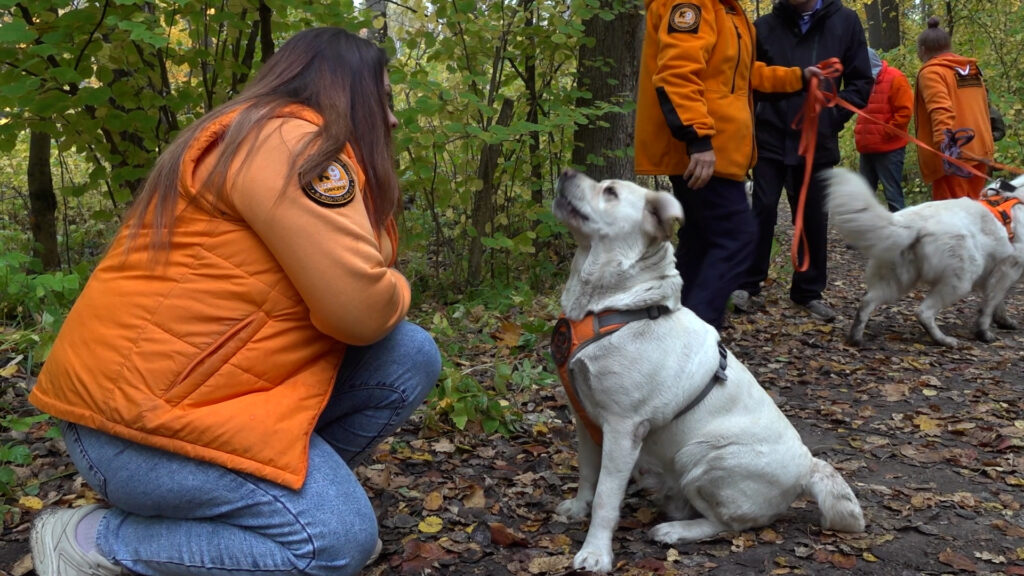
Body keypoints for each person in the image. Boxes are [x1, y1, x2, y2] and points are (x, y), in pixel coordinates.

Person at [27, 27, 441, 576]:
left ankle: (276, 514)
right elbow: (360, 311)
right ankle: (92, 540)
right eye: (383, 99)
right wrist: (397, 283)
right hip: (137, 428)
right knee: (334, 545)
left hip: (199, 403)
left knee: (408, 352)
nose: (392, 119)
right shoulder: (292, 144)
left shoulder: (265, 137)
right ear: (347, 93)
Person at [634, 0, 823, 330]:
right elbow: (676, 74)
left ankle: (671, 326)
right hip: (705, 154)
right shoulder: (694, 4)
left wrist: (798, 78)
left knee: (701, 241)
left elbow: (743, 74)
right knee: (737, 237)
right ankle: (696, 335)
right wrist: (698, 139)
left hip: (721, 153)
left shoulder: (730, 12)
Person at [731, 0, 873, 322]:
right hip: (768, 136)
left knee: (812, 215)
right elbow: (747, 80)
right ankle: (746, 283)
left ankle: (808, 291)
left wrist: (831, 116)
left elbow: (861, 82)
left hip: (817, 140)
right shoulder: (763, 26)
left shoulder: (845, 22)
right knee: (762, 208)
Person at [914, 16, 996, 201]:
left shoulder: (932, 72)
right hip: (980, 150)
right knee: (976, 207)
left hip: (955, 155)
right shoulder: (971, 69)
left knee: (953, 213)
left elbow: (940, 110)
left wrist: (946, 148)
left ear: (923, 50)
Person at [854, 47, 913, 212]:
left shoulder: (896, 78)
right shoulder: (863, 82)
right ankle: (866, 228)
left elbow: (905, 112)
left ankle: (901, 228)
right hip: (867, 148)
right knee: (864, 197)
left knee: (893, 196)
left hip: (889, 149)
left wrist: (886, 133)